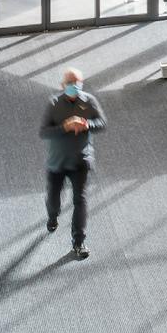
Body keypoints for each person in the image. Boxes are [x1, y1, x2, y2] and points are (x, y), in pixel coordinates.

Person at [40, 67, 105, 260]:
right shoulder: (53, 104)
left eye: (77, 83)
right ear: (62, 85)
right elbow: (44, 132)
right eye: (70, 83)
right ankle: (52, 216)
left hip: (80, 161)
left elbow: (102, 123)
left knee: (80, 200)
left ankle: (79, 242)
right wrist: (65, 126)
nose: (74, 86)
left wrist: (88, 125)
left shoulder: (89, 101)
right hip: (57, 163)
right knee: (53, 198)